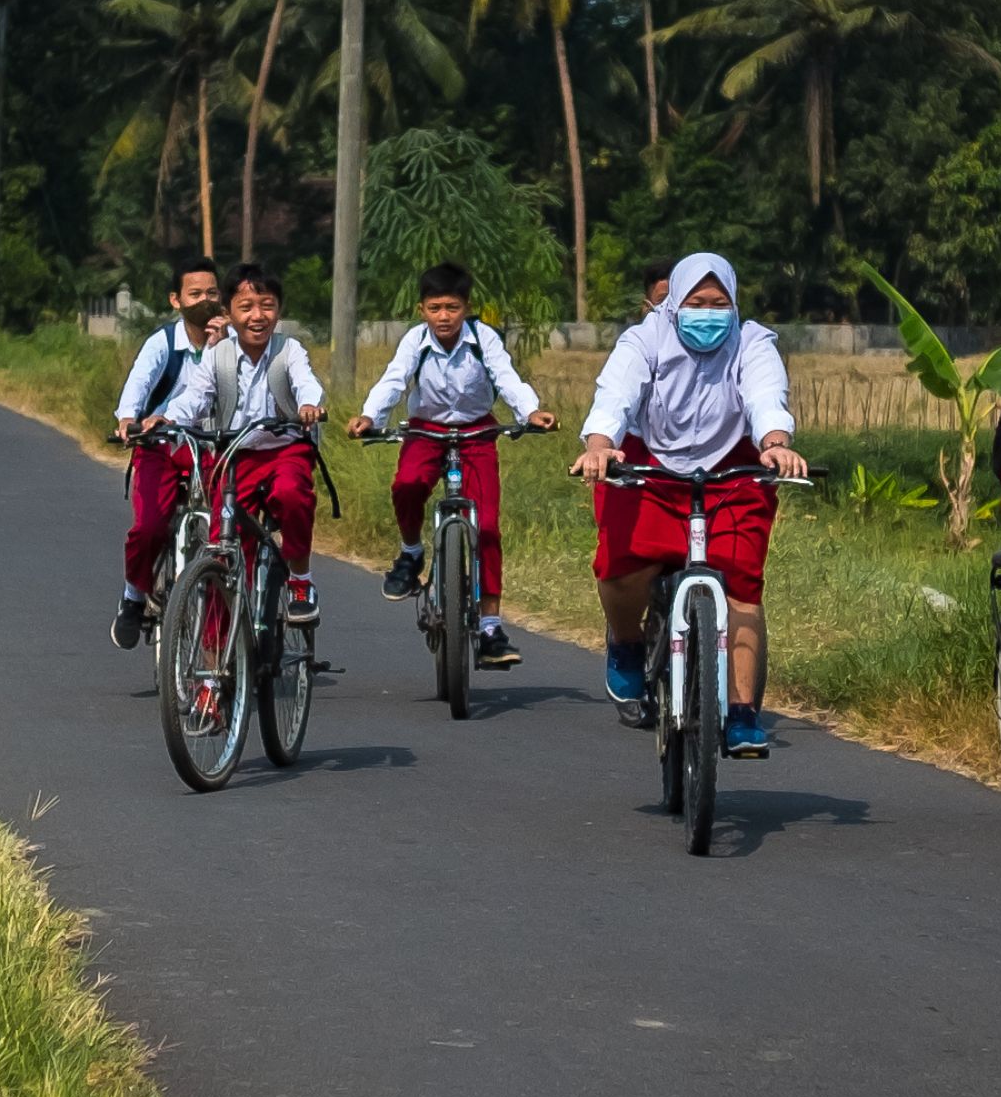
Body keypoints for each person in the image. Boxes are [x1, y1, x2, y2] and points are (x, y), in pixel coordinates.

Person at [572, 253, 807, 757]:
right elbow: (616, 393)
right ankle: (626, 643)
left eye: (719, 303)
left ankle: (743, 713)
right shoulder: (645, 338)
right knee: (620, 565)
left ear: (735, 303)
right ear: (674, 304)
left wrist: (775, 440)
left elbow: (767, 393)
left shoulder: (753, 341)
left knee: (743, 583)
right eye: (696, 303)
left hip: (731, 469)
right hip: (650, 465)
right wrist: (598, 445)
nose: (708, 312)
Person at [346, 262, 558, 667]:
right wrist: (370, 417)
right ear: (422, 309)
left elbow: (506, 377)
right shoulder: (415, 341)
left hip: (477, 433)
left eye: (452, 307)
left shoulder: (484, 338)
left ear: (466, 308)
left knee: (489, 527)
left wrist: (530, 411)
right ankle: (411, 553)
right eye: (435, 308)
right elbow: (394, 380)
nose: (444, 317)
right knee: (407, 485)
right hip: (426, 431)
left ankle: (492, 627)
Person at [149, 263, 327, 627]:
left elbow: (306, 382)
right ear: (228, 313)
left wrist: (309, 405)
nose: (257, 316)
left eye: (267, 305)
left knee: (294, 495)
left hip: (285, 451)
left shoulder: (289, 350)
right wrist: (168, 419)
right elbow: (194, 398)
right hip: (235, 456)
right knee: (223, 549)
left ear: (279, 310)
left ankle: (300, 581)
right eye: (246, 307)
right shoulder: (219, 355)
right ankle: (214, 666)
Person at [110, 256, 228, 650]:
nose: (205, 301)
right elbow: (137, 387)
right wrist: (129, 420)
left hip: (212, 448)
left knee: (229, 529)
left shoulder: (231, 345)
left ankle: (227, 621)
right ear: (176, 300)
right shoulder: (162, 343)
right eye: (195, 294)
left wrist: (222, 348)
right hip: (159, 446)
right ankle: (133, 596)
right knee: (149, 527)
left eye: (212, 293)